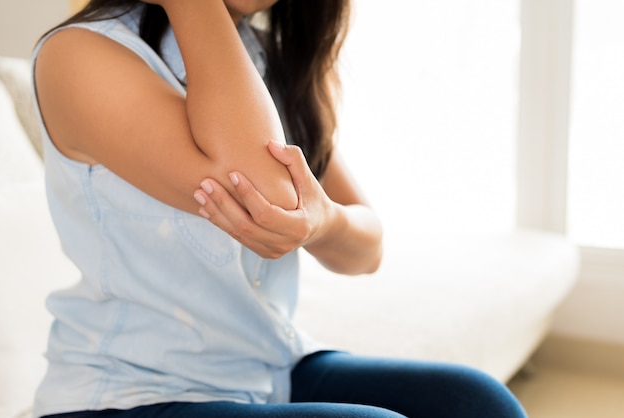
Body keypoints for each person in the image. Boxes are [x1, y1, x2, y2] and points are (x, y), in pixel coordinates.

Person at [31, 1, 528, 417]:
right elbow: (263, 190)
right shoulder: (79, 54)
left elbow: (367, 248)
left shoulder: (264, 60)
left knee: (477, 403)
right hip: (128, 393)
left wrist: (321, 223)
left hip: (267, 367)